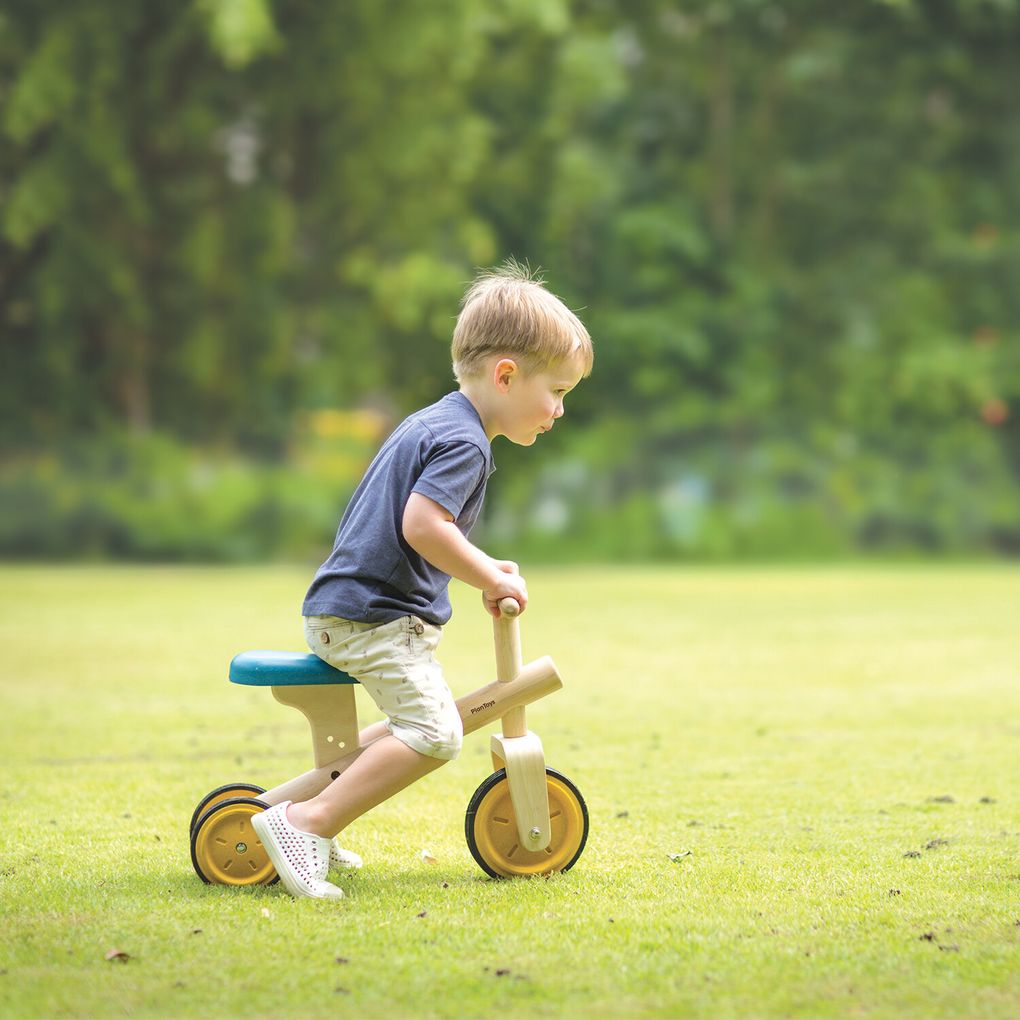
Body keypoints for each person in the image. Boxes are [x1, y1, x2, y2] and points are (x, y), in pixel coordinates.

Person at [252, 261, 593, 898]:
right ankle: (306, 821)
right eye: (558, 390)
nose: (560, 410)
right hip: (373, 616)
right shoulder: (466, 443)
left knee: (418, 718)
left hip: (352, 607)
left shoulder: (438, 422)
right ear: (507, 375)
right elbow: (421, 526)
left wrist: (485, 567)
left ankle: (304, 820)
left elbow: (425, 528)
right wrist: (487, 573)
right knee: (436, 733)